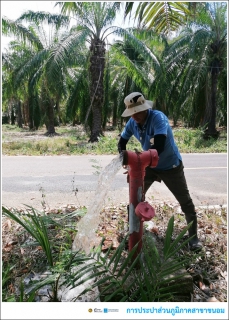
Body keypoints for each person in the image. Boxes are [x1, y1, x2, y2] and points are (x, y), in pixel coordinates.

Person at [117, 92, 203, 251]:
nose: (135, 116)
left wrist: (138, 161)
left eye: (138, 111)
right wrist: (127, 162)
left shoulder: (158, 118)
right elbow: (122, 142)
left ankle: (194, 238)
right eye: (132, 113)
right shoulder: (132, 123)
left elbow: (159, 146)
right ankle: (132, 234)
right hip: (148, 166)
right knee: (133, 201)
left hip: (170, 166)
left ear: (146, 108)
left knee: (185, 202)